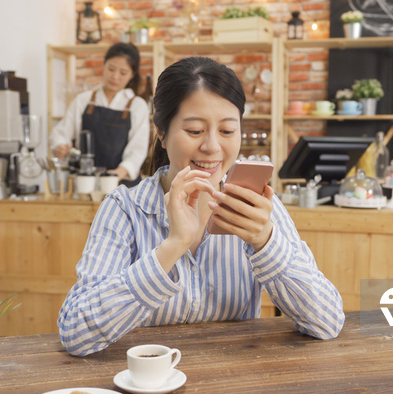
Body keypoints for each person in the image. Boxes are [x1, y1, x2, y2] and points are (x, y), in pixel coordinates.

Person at [58, 57, 345, 356]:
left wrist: (265, 242)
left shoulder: (257, 209)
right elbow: (76, 333)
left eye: (227, 131)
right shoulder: (124, 209)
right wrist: (172, 247)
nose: (212, 147)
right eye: (195, 131)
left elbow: (327, 322)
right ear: (161, 132)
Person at [49, 43, 150, 186]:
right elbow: (60, 133)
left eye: (123, 73)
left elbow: (138, 149)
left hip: (122, 185)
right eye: (111, 69)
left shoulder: (137, 105)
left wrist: (119, 172)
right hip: (86, 183)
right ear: (103, 66)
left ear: (132, 75)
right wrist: (60, 146)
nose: (115, 76)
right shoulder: (83, 100)